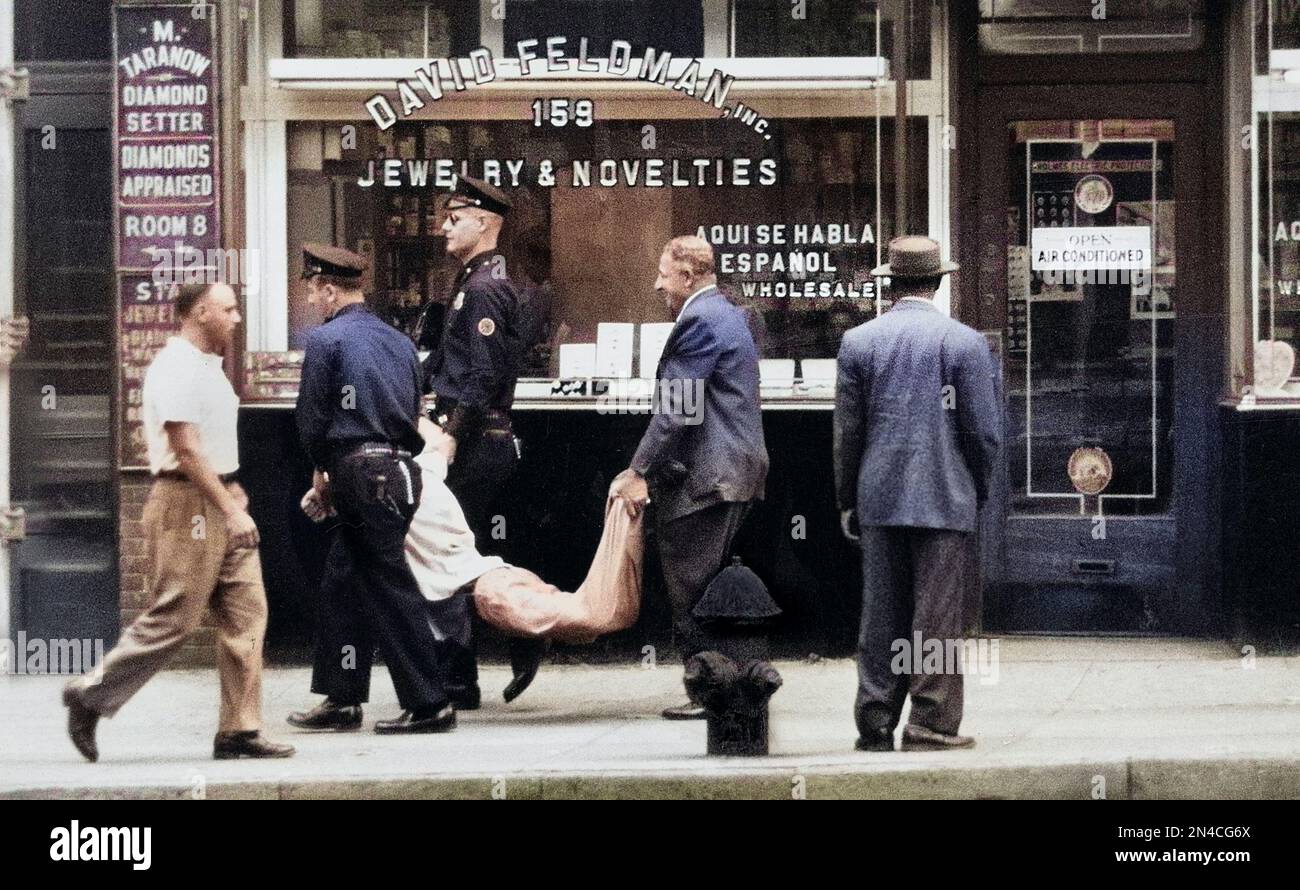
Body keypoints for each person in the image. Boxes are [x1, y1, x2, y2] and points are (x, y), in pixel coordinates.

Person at [61, 282, 294, 761]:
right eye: (227, 309)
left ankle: (240, 730)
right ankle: (91, 694)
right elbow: (185, 449)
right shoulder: (176, 366)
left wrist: (230, 487)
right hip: (186, 504)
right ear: (201, 312)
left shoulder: (208, 367)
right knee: (176, 617)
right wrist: (227, 507)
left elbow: (205, 446)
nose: (235, 318)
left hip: (216, 496)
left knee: (248, 612)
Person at [833, 235, 1003, 753]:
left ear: (893, 282)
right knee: (937, 616)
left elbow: (848, 433)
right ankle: (930, 721)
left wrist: (847, 498)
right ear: (938, 281)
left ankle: (876, 718)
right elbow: (983, 434)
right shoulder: (965, 343)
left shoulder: (859, 342)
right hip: (945, 497)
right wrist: (978, 486)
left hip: (879, 496)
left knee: (881, 611)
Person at [287, 243, 455, 735]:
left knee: (389, 587)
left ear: (328, 287)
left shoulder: (327, 341)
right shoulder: (399, 342)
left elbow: (313, 420)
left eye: (314, 290)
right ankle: (341, 697)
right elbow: (414, 408)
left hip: (359, 474)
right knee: (345, 581)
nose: (313, 300)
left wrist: (322, 475)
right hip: (400, 473)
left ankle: (430, 703)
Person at [610, 235, 769, 720]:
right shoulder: (725, 314)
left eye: (663, 274)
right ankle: (725, 684)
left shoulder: (700, 320)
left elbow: (679, 407)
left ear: (687, 275)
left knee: (692, 586)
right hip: (727, 471)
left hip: (707, 477)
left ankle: (710, 692)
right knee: (707, 581)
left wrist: (639, 471)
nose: (657, 284)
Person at [422, 175, 530, 708]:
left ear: (485, 222)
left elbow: (482, 375)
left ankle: (472, 670)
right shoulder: (471, 281)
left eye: (455, 216)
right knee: (457, 554)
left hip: (474, 440)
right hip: (471, 437)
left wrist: (449, 438)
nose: (445, 226)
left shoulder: (485, 287)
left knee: (450, 556)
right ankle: (474, 668)